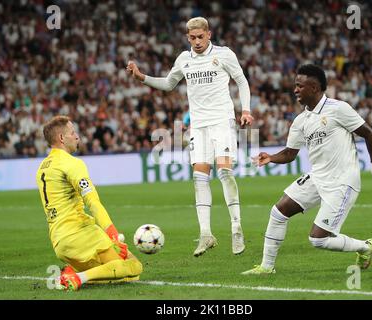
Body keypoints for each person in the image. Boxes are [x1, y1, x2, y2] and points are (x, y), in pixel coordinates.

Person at [242, 64, 372, 275]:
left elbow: (370, 135)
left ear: (314, 87)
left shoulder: (338, 108)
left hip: (342, 181)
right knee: (278, 212)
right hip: (317, 177)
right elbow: (290, 153)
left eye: (299, 86)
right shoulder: (300, 121)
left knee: (318, 239)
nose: (295, 90)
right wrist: (270, 158)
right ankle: (267, 267)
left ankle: (364, 247)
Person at [127, 17, 254, 257]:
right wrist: (141, 77)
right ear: (188, 37)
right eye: (192, 38)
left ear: (208, 34)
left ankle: (236, 227)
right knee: (199, 179)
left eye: (200, 37)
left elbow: (242, 81)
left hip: (222, 121)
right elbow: (168, 84)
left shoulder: (224, 54)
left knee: (225, 171)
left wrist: (246, 110)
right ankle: (206, 234)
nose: (197, 41)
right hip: (198, 126)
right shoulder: (184, 59)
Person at [36, 116, 142, 290]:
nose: (77, 136)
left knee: (127, 272)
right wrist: (113, 235)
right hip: (80, 233)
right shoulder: (72, 163)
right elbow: (92, 202)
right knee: (130, 268)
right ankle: (78, 277)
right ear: (62, 138)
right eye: (73, 132)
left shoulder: (42, 167)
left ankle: (71, 273)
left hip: (59, 241)